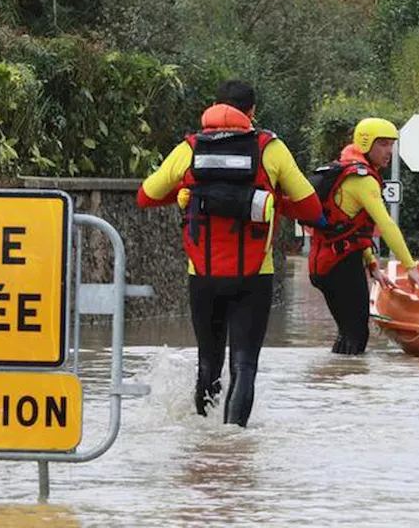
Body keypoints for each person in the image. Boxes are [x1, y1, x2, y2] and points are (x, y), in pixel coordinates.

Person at [136, 80, 323, 426]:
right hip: (255, 276)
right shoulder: (270, 148)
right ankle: (233, 445)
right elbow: (312, 209)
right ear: (251, 112)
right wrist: (274, 202)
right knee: (244, 365)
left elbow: (145, 196)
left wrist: (187, 190)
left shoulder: (189, 148)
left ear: (213, 107)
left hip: (202, 275)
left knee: (208, 362)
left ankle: (204, 442)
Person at [306, 117, 419, 354]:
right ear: (365, 144)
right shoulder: (362, 179)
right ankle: (349, 387)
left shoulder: (349, 172)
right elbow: (386, 225)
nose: (389, 151)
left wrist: (372, 265)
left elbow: (351, 229)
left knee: (348, 333)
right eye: (382, 144)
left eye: (391, 144)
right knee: (357, 335)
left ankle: (332, 381)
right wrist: (410, 267)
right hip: (340, 266)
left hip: (327, 264)